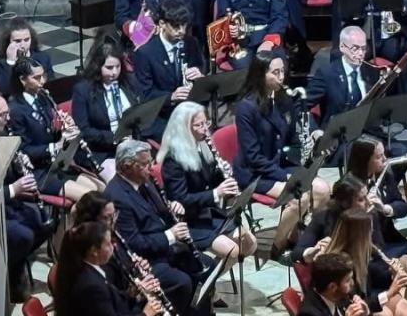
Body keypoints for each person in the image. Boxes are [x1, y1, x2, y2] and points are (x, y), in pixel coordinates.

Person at [232, 51, 331, 252]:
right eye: (275, 72)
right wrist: (286, 176)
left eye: (282, 71)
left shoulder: (283, 99)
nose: (281, 77)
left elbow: (294, 134)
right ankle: (277, 246)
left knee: (323, 189)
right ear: (260, 74)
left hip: (280, 163)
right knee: (299, 196)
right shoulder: (246, 107)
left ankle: (298, 238)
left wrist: (311, 139)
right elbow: (253, 157)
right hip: (256, 173)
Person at [104, 139, 211, 315]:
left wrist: (174, 207)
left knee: (208, 266)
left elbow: (161, 212)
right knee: (181, 282)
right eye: (145, 164)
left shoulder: (145, 180)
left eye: (151, 162)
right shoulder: (117, 197)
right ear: (127, 166)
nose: (151, 168)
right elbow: (134, 243)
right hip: (146, 260)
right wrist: (171, 235)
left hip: (164, 249)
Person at [157, 101, 257, 273]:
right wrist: (216, 193)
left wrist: (223, 176)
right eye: (199, 125)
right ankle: (205, 283)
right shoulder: (173, 160)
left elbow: (209, 181)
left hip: (208, 214)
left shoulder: (202, 146)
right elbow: (182, 199)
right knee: (232, 252)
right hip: (189, 221)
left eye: (206, 123)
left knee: (250, 244)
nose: (205, 129)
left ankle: (210, 275)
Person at [344, 137, 407, 310]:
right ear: (365, 160)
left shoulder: (383, 175)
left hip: (391, 238)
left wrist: (386, 208)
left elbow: (402, 205)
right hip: (373, 247)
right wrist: (367, 209)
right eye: (379, 157)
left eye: (384, 155)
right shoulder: (350, 187)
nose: (385, 159)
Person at [0, 87, 50, 302]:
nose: (8, 118)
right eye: (2, 115)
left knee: (44, 223)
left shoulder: (4, 133)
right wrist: (15, 188)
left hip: (9, 202)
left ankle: (17, 262)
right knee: (23, 235)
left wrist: (21, 165)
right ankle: (10, 276)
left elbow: (8, 174)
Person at [7, 56, 104, 202]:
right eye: (36, 78)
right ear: (22, 80)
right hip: (38, 172)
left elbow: (49, 133)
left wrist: (65, 133)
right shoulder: (15, 110)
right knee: (90, 198)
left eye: (43, 76)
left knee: (101, 189)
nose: (42, 81)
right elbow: (23, 150)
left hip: (57, 164)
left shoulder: (43, 97)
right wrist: (55, 146)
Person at [52, 222, 163, 316]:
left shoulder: (89, 270)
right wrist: (146, 314)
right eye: (108, 243)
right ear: (94, 251)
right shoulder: (91, 286)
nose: (113, 246)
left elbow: (110, 301)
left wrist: (131, 295)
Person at [132, 0, 205, 141]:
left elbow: (200, 66)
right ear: (162, 24)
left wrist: (199, 75)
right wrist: (171, 97)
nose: (182, 31)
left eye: (184, 25)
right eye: (176, 26)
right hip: (161, 115)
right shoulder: (145, 53)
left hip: (189, 109)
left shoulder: (191, 43)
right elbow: (145, 95)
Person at [71, 39, 140, 175]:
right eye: (109, 68)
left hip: (130, 143)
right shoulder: (83, 90)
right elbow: (84, 131)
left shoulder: (129, 81)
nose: (114, 72)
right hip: (101, 151)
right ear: (98, 67)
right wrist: (114, 137)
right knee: (123, 177)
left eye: (117, 67)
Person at [306, 27, 383, 132]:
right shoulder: (327, 73)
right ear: (342, 47)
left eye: (364, 48)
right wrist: (314, 131)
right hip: (336, 134)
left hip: (366, 132)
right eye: (355, 48)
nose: (361, 53)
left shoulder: (371, 71)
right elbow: (301, 106)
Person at [298, 252, 376, 316]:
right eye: (348, 280)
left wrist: (366, 313)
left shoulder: (342, 296)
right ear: (332, 287)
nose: (352, 283)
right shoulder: (309, 313)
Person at [0, 16, 55, 95]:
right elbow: (4, 91)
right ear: (8, 42)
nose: (23, 45)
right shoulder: (1, 64)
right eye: (17, 41)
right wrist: (10, 62)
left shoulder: (43, 58)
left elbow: (52, 85)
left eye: (27, 40)